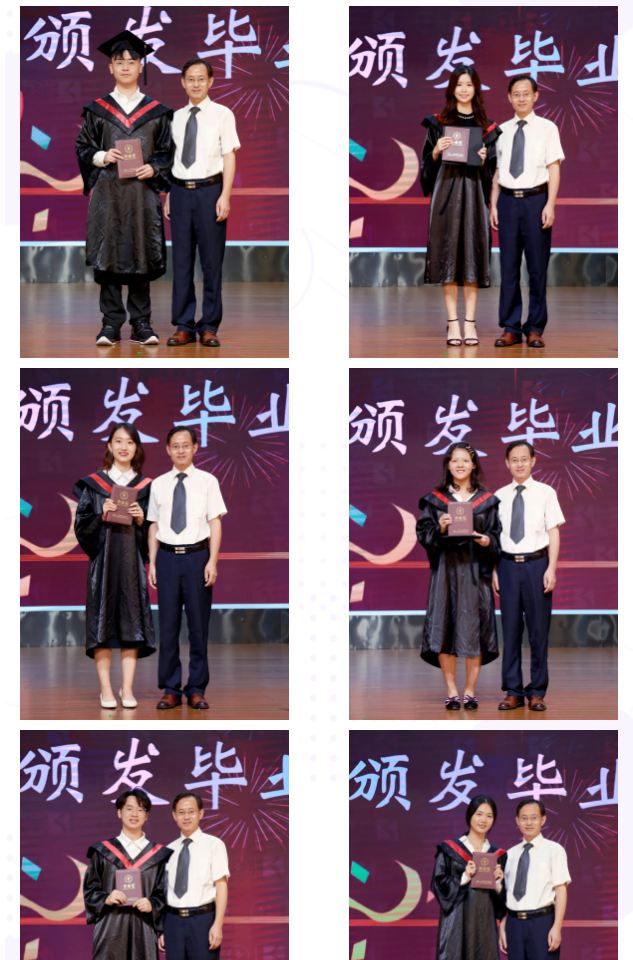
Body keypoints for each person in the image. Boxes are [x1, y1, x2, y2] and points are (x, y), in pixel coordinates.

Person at [75, 30, 173, 346]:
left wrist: (154, 168)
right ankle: (110, 324)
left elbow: (167, 152)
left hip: (142, 194)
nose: (126, 66)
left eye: (132, 61)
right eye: (120, 61)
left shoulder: (157, 112)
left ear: (141, 66)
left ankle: (142, 324)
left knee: (141, 252)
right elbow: (83, 147)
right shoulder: (97, 110)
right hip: (109, 194)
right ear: (111, 68)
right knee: (110, 253)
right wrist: (103, 156)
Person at [74, 423, 155, 709]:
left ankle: (127, 688)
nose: (124, 447)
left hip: (131, 565)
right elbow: (81, 527)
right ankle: (106, 689)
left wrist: (141, 520)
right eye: (118, 441)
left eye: (130, 442)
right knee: (102, 625)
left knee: (132, 624)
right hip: (104, 565)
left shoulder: (146, 488)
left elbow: (154, 532)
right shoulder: (95, 485)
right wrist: (101, 514)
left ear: (137, 448)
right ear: (109, 446)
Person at [420, 66, 501, 346]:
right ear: (452, 88)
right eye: (459, 84)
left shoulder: (487, 126)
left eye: (469, 84)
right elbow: (426, 168)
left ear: (476, 88)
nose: (464, 89)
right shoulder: (438, 123)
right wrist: (435, 151)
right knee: (448, 255)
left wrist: (484, 160)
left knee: (472, 257)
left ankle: (471, 323)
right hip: (445, 194)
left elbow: (493, 172)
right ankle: (453, 322)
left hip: (474, 195)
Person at [417, 442, 501, 709]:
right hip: (446, 571)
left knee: (475, 631)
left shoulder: (487, 501)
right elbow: (424, 534)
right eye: (455, 460)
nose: (460, 465)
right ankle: (452, 691)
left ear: (474, 464)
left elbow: (497, 535)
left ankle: (470, 691)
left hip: (475, 571)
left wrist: (486, 540)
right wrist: (440, 529)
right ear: (448, 465)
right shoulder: (435, 500)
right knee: (445, 628)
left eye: (465, 460)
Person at [148, 427, 227, 710]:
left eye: (185, 445)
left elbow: (215, 522)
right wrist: (152, 562)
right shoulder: (158, 484)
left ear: (195, 447)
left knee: (198, 627)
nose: (180, 450)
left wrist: (212, 561)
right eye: (175, 446)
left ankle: (196, 688)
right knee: (168, 627)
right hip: (167, 559)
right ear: (167, 449)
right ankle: (170, 689)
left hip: (197, 557)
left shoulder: (208, 481)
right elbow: (154, 525)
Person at [165, 59, 240, 349]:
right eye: (190, 79)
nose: (195, 84)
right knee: (181, 262)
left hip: (210, 192)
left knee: (211, 263)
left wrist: (225, 195)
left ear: (210, 82)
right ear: (182, 82)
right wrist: (169, 194)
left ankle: (209, 326)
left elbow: (229, 156)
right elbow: (172, 160)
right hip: (180, 193)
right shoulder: (175, 117)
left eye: (201, 79)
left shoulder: (223, 114)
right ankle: (184, 326)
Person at [491, 76, 565, 348]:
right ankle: (510, 327)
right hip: (507, 202)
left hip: (536, 201)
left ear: (535, 96)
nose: (521, 98)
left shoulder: (547, 128)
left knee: (537, 268)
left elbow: (554, 167)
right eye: (516, 94)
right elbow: (497, 171)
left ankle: (535, 327)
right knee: (508, 268)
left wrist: (550, 204)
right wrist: (493, 205)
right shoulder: (500, 130)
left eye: (526, 93)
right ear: (509, 97)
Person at [494, 441, 565, 712]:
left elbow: (553, 532)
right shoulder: (498, 496)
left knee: (538, 632)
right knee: (510, 631)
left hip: (537, 565)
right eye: (514, 459)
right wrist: (494, 571)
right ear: (507, 463)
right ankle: (513, 691)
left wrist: (551, 568)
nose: (520, 464)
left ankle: (537, 691)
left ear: (533, 461)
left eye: (524, 458)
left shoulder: (546, 492)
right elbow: (494, 537)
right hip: (507, 566)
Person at [83, 788, 173, 960]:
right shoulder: (102, 852)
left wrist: (152, 903)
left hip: (144, 928)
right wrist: (106, 898)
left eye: (140, 809)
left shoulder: (159, 855)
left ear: (147, 816)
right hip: (110, 927)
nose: (134, 814)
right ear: (119, 812)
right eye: (129, 808)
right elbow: (90, 890)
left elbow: (164, 894)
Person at [432, 794, 506, 960]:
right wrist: (464, 876)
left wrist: (498, 884)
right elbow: (439, 884)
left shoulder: (498, 855)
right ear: (469, 815)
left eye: (489, 816)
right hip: (456, 922)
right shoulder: (449, 850)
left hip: (485, 923)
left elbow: (503, 903)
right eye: (479, 814)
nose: (484, 820)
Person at [160, 791, 230, 959]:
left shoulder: (214, 844)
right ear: (174, 816)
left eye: (191, 811)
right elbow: (164, 891)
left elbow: (221, 886)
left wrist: (218, 925)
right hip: (173, 922)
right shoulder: (168, 850)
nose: (186, 817)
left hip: (202, 921)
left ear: (201, 813)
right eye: (181, 812)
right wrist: (162, 928)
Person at [500, 800, 570, 960]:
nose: (529, 823)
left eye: (534, 818)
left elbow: (561, 890)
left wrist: (557, 927)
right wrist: (503, 926)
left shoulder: (554, 850)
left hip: (541, 923)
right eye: (524, 818)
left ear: (543, 820)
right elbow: (507, 894)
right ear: (517, 821)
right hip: (513, 924)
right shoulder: (509, 854)